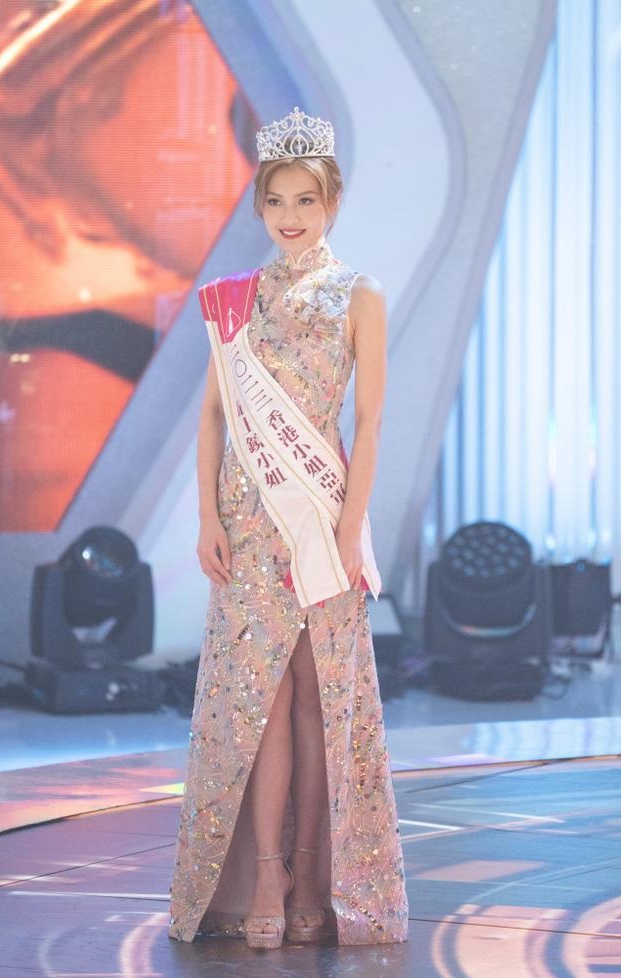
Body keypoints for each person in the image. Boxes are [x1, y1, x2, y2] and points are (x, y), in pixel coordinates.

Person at [168, 106, 409, 950]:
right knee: (258, 705)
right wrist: (208, 516)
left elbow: (369, 424)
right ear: (261, 206)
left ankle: (316, 878)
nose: (291, 216)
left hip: (322, 518)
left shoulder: (360, 294)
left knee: (317, 700)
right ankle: (264, 877)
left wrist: (348, 531)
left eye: (307, 200)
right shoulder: (236, 299)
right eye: (277, 201)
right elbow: (211, 417)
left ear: (332, 202)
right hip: (248, 521)